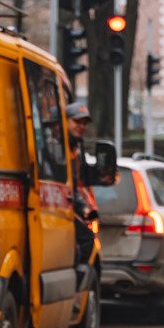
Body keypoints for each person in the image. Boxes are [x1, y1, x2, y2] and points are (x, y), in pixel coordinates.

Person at [65, 102, 98, 267]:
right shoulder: (60, 148)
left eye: (84, 123)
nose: (82, 126)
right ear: (65, 121)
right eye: (77, 122)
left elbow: (74, 185)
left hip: (70, 207)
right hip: (61, 208)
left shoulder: (73, 150)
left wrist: (85, 209)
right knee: (86, 240)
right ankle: (78, 280)